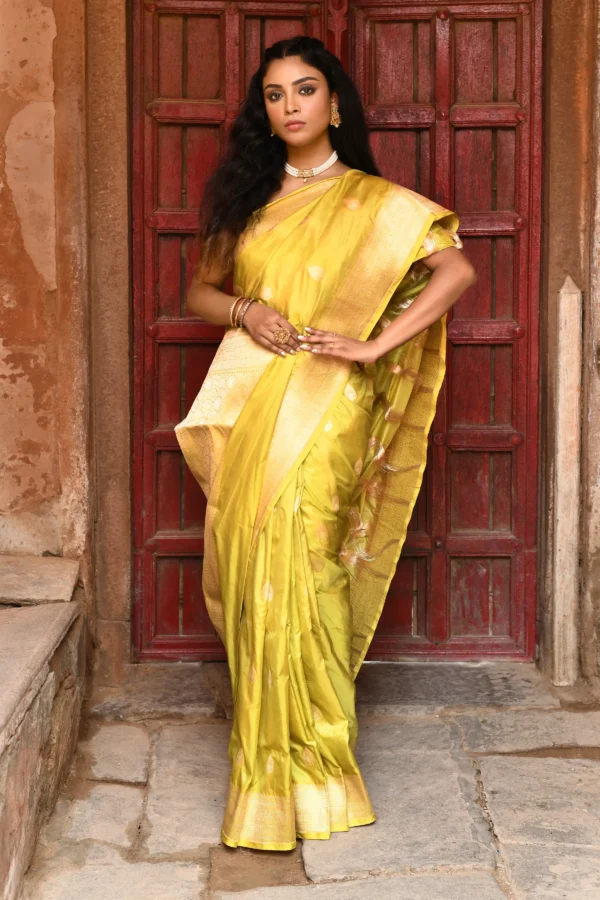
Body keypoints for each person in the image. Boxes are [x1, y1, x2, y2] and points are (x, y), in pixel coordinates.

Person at [175, 35, 476, 852]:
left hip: (331, 406)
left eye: (305, 90)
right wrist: (247, 312)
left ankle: (321, 765)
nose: (291, 106)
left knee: (309, 569)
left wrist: (374, 347)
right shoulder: (248, 199)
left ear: (335, 103)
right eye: (274, 95)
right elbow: (201, 292)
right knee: (254, 566)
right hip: (256, 401)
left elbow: (455, 270)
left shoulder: (376, 202)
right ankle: (267, 773)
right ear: (264, 113)